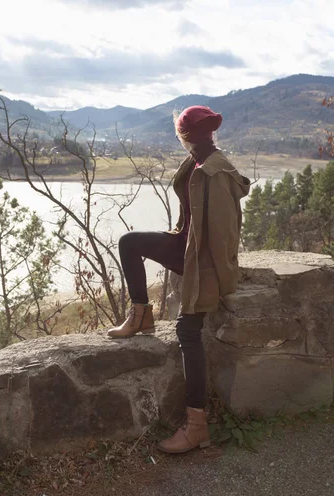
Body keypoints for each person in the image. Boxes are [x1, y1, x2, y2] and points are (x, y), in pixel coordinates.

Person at [107, 105, 250, 453]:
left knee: (188, 332)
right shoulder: (199, 162)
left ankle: (197, 426)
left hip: (203, 264)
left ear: (183, 134)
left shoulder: (214, 172)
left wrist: (218, 281)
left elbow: (223, 235)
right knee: (130, 242)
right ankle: (141, 314)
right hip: (186, 248)